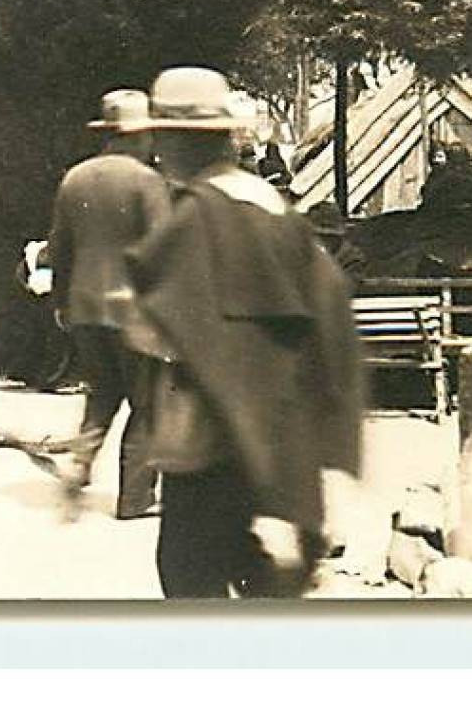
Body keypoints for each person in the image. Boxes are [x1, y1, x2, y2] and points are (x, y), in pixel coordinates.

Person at [127, 67, 364, 599]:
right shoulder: (272, 205)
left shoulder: (195, 217)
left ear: (169, 141)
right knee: (254, 569)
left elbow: (161, 329)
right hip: (279, 430)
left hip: (212, 436)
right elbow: (330, 311)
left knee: (189, 575)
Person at [46, 89, 169, 521]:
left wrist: (61, 301)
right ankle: (135, 497)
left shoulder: (75, 178)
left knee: (101, 394)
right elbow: (161, 250)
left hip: (84, 308)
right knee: (148, 404)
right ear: (140, 135)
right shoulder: (147, 182)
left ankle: (79, 466)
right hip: (134, 312)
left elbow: (58, 250)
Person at [305, 201, 367, 280]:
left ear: (338, 237)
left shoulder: (352, 260)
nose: (322, 241)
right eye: (317, 236)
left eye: (328, 236)